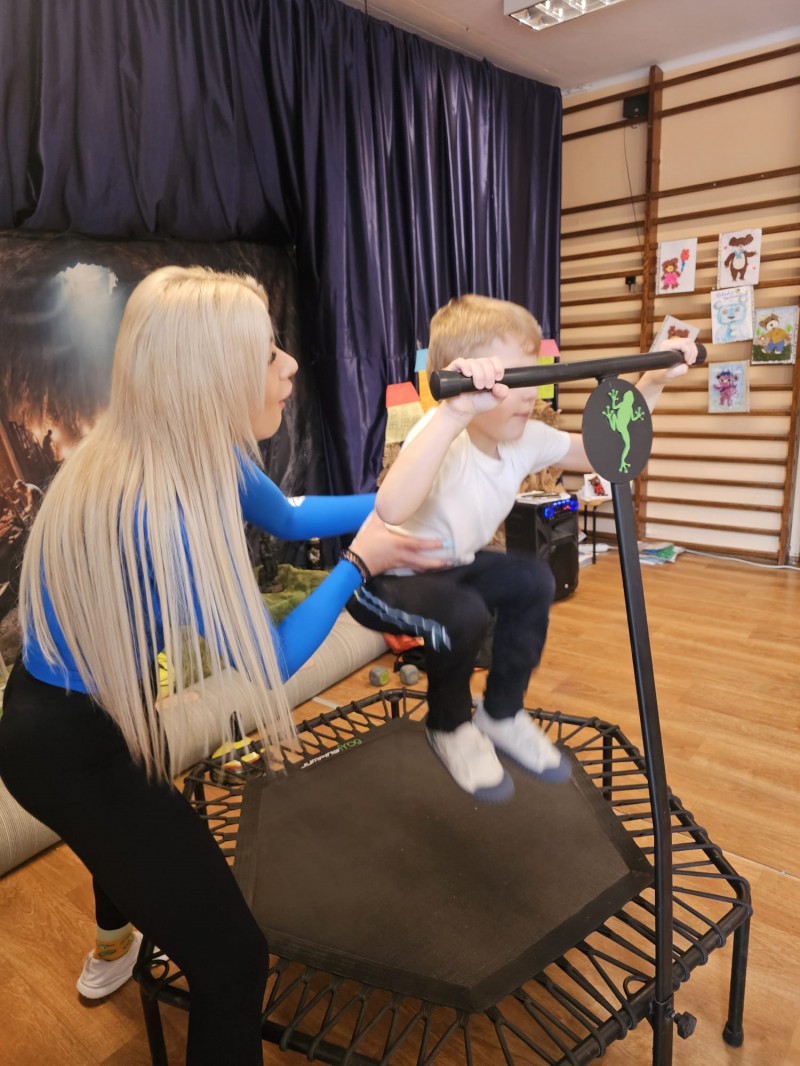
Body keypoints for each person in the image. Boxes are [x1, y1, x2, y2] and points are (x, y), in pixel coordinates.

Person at [0, 266, 445, 1066]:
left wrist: (394, 506)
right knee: (234, 960)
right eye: (268, 352)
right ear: (211, 373)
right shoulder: (156, 509)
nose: (290, 365)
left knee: (126, 837)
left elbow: (292, 515)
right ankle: (118, 942)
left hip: (96, 709)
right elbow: (267, 662)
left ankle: (114, 942)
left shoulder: (188, 446)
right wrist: (359, 565)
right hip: (60, 745)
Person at [348, 294, 698, 803]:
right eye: (511, 379)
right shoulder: (442, 432)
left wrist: (654, 381)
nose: (530, 393)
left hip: (453, 566)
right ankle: (448, 725)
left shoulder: (524, 438)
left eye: (533, 377)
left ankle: (501, 713)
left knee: (532, 580)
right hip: (384, 578)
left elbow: (599, 449)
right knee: (463, 613)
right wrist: (453, 412)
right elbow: (392, 507)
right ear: (466, 380)